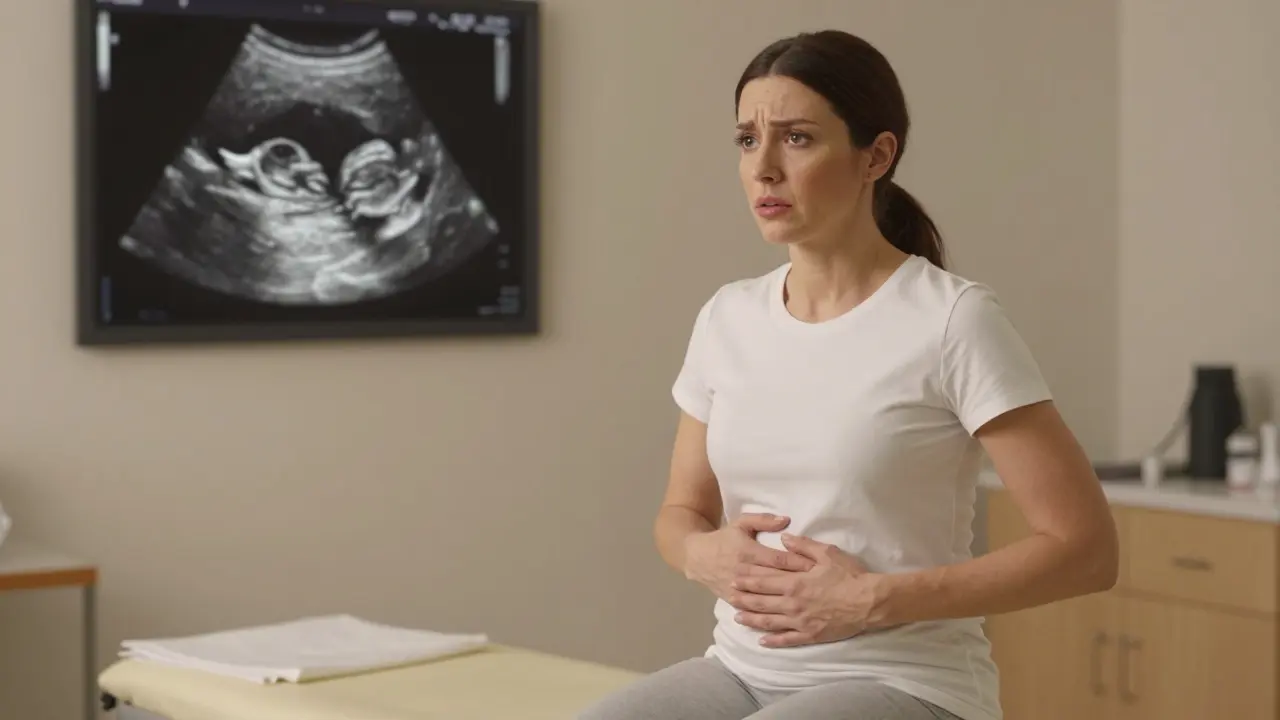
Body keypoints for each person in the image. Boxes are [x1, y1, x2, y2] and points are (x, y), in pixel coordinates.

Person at [578, 28, 1119, 720]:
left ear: (876, 155)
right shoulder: (727, 317)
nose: (764, 168)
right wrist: (701, 556)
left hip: (907, 682)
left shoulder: (953, 320)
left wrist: (870, 599)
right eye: (747, 140)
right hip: (741, 671)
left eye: (797, 138)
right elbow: (680, 514)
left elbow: (1085, 549)